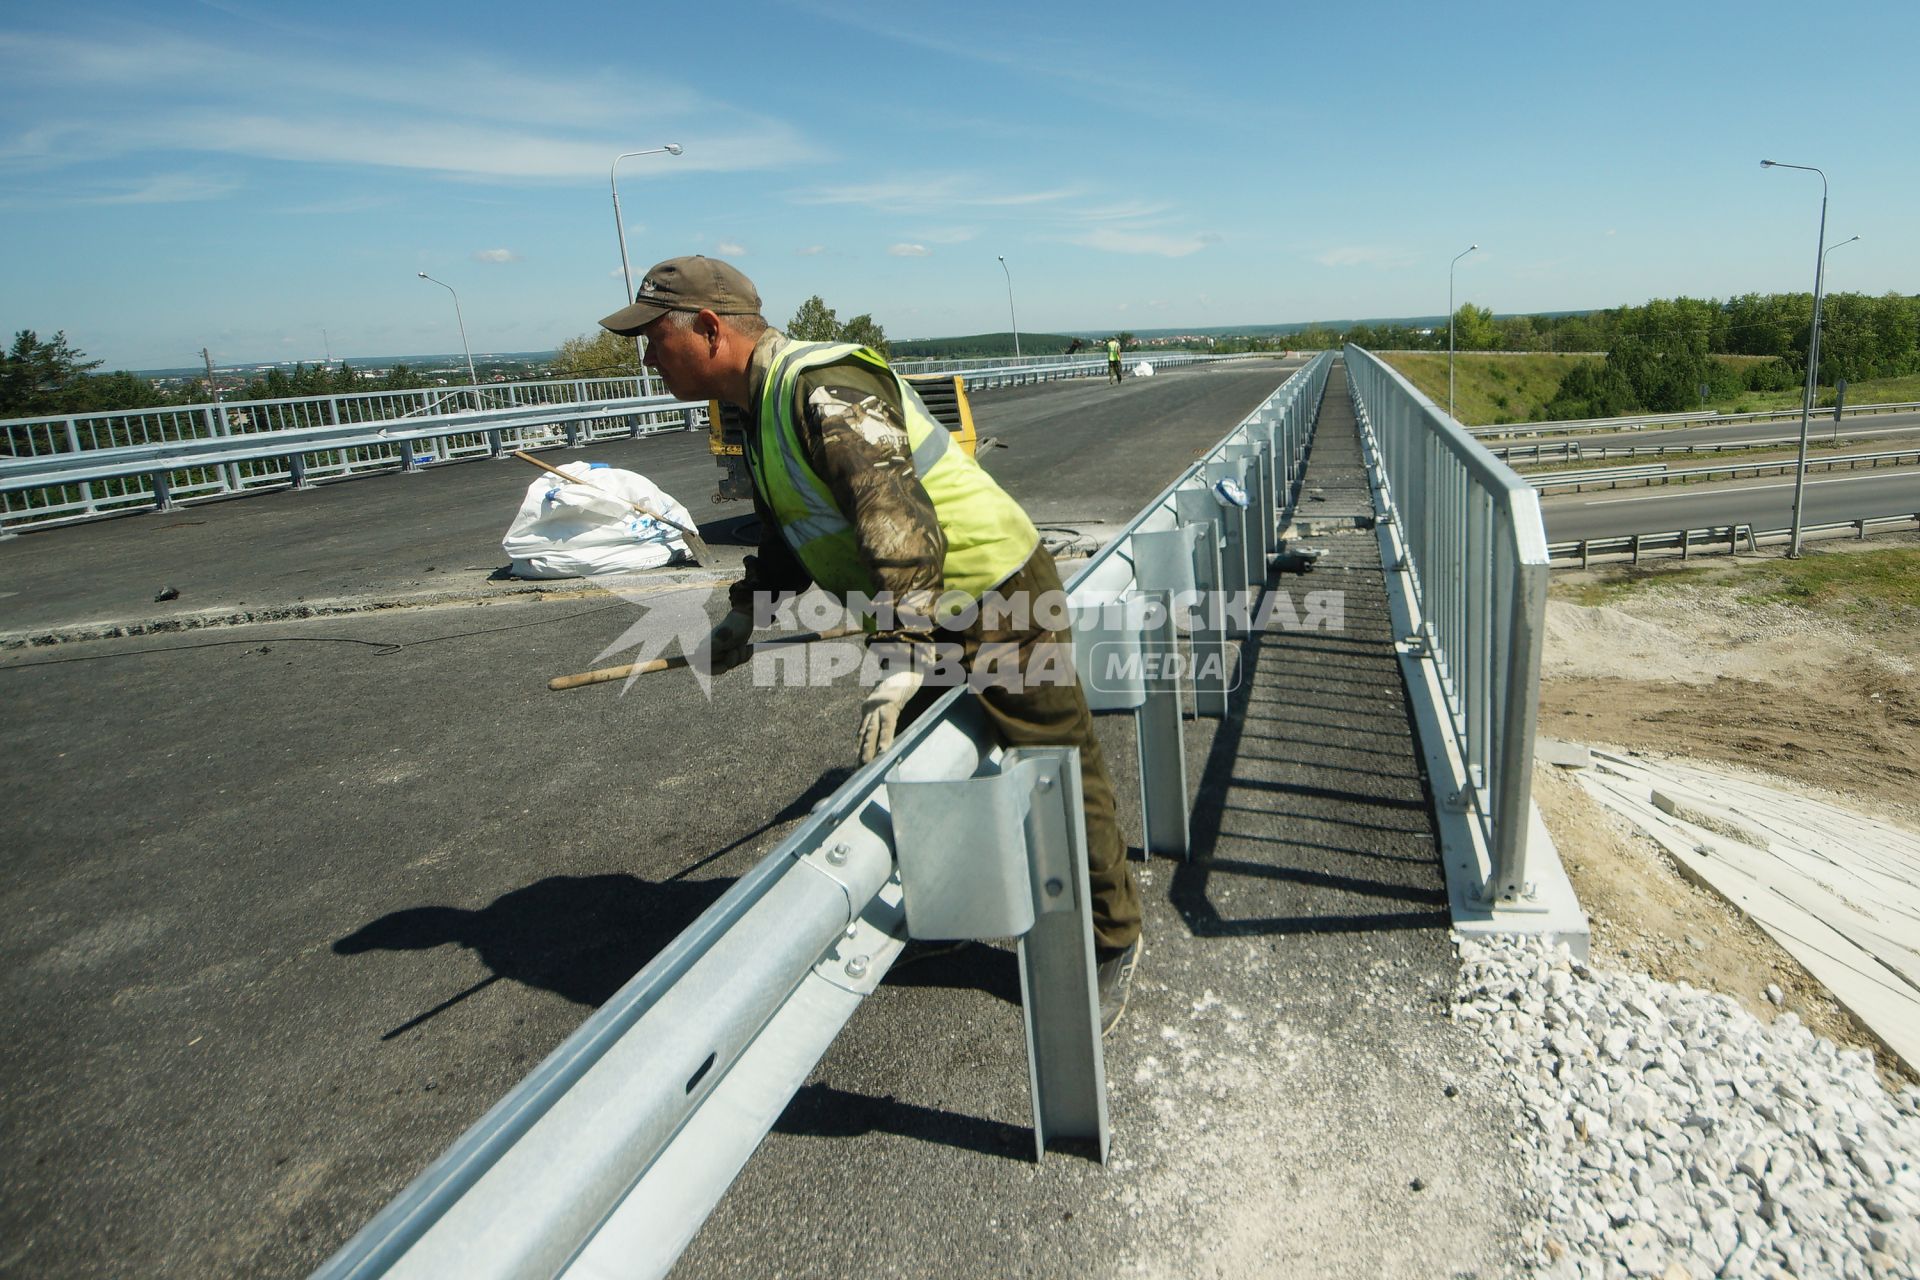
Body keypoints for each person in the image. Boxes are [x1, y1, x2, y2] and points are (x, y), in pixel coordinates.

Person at [601, 257, 1143, 1032]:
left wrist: (902, 657)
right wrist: (746, 614)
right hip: (917, 607)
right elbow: (793, 525)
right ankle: (953, 918)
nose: (648, 359)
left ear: (711, 328)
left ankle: (1110, 940)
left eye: (654, 338)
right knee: (924, 771)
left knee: (1054, 757)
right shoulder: (758, 405)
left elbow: (897, 517)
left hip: (993, 589)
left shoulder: (822, 386)